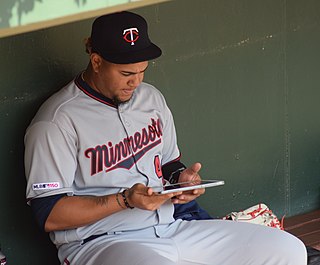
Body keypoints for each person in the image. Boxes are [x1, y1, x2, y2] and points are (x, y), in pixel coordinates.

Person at [24, 11, 307, 265]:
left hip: (172, 227)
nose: (135, 81)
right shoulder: (56, 120)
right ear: (96, 61)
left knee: (287, 249)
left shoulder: (151, 99)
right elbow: (49, 214)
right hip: (102, 242)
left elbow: (169, 167)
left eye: (142, 71)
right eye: (126, 73)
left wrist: (182, 182)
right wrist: (124, 200)